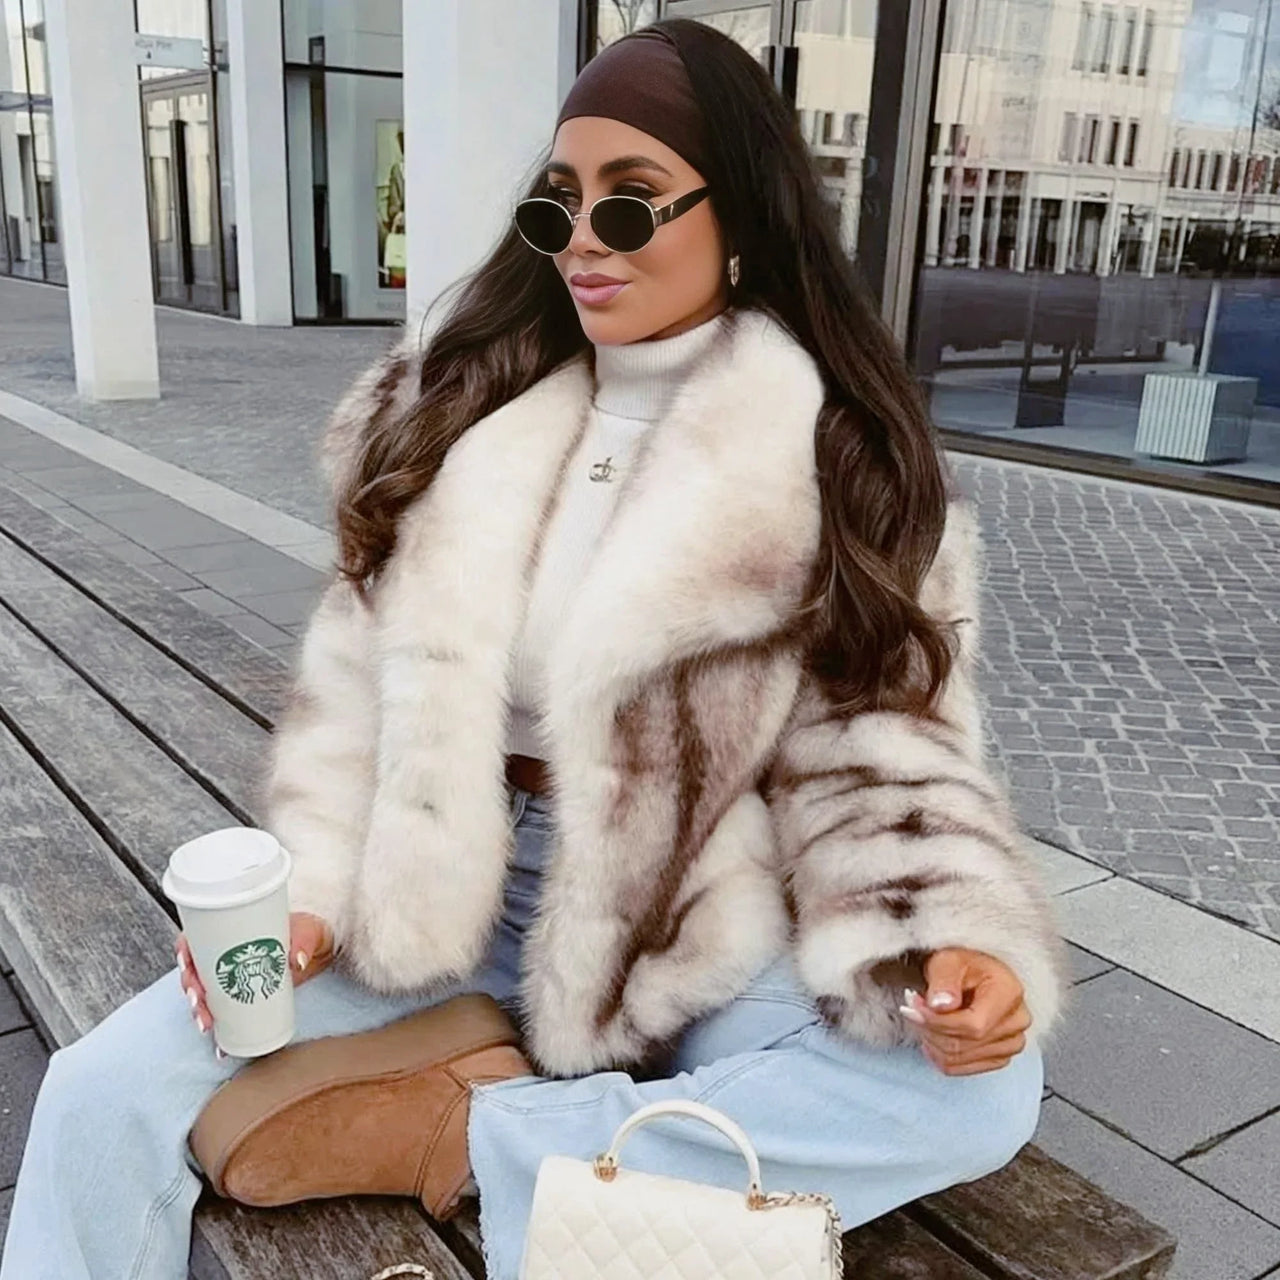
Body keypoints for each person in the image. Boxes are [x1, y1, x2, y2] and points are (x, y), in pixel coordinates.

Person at [0, 21, 1068, 1280]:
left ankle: (464, 1125)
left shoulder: (840, 464)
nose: (579, 246)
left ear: (744, 218)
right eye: (554, 209)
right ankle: (505, 1089)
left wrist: (950, 940)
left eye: (630, 208)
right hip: (439, 883)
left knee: (973, 1097)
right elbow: (353, 698)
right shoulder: (452, 409)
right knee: (99, 1091)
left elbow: (882, 756)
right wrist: (305, 897)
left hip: (688, 916)